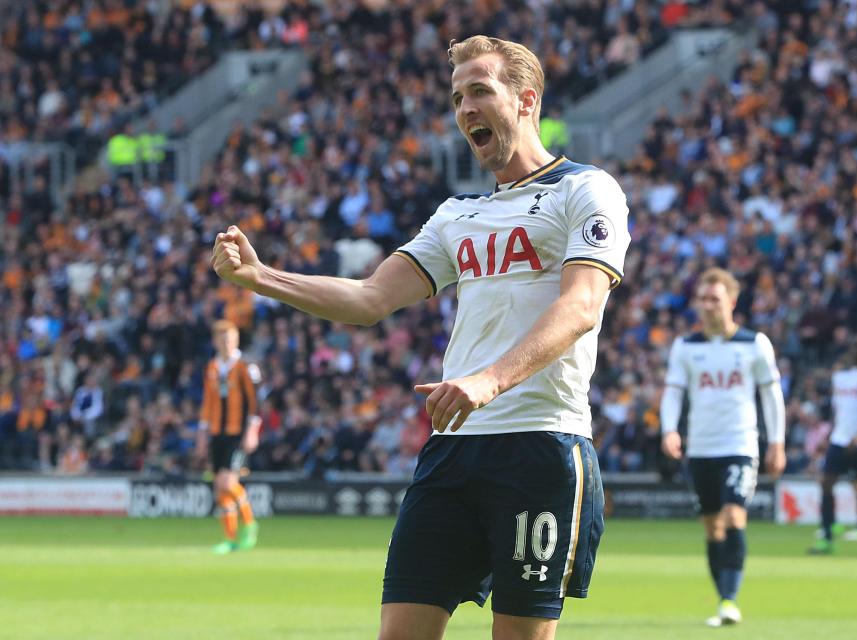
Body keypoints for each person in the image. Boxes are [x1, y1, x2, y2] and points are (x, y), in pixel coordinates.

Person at [211, 35, 629, 640]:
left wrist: (488, 381)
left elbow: (582, 305)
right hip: (453, 450)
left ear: (526, 100)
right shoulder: (457, 215)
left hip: (540, 446)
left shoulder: (586, 191)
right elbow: (368, 300)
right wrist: (260, 276)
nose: (465, 109)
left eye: (480, 91)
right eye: (457, 98)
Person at [660, 268, 786, 627]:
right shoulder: (686, 347)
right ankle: (723, 599)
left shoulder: (754, 344)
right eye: (703, 299)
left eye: (715, 298)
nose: (708, 305)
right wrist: (670, 430)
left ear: (731, 301)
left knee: (733, 515)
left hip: (740, 444)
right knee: (713, 527)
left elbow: (771, 395)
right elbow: (673, 392)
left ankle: (730, 600)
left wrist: (776, 442)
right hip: (700, 448)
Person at [809, 337, 857, 557]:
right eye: (852, 348)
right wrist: (829, 435)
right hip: (840, 440)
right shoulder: (841, 377)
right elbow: (840, 411)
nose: (854, 352)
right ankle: (826, 537)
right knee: (826, 483)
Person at [197, 319, 262, 554]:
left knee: (227, 482)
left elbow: (255, 402)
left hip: (237, 431)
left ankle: (250, 523)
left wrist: (252, 430)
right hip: (216, 431)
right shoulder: (212, 368)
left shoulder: (246, 366)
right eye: (222, 338)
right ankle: (231, 539)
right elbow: (208, 401)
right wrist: (202, 433)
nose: (226, 342)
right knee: (219, 487)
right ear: (215, 341)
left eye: (230, 338)